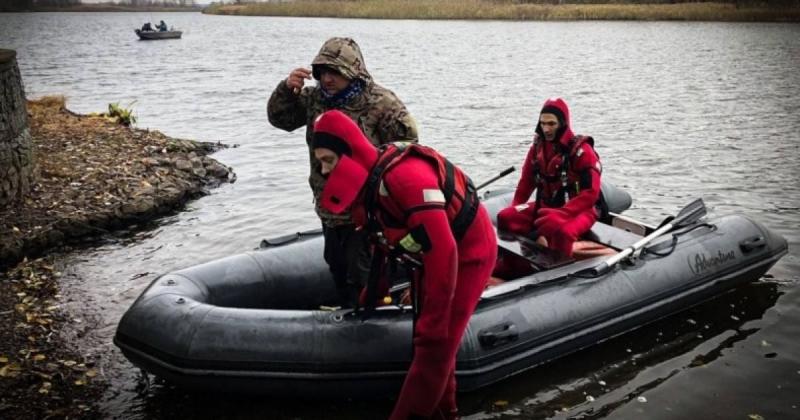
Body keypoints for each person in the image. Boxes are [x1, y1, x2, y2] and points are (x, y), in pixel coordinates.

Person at [311, 110, 497, 420]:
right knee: (433, 349)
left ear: (349, 154)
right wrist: (374, 289)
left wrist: (433, 323)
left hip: (469, 253)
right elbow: (381, 237)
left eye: (329, 160)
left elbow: (445, 250)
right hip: (428, 256)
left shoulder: (406, 178)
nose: (325, 170)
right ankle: (446, 413)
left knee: (435, 347)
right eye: (321, 163)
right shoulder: (371, 184)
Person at [267, 37, 418, 307]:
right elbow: (281, 120)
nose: (327, 79)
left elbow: (407, 150)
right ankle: (348, 313)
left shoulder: (381, 103)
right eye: (323, 72)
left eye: (334, 72)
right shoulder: (314, 100)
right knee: (336, 264)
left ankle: (373, 318)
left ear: (353, 71)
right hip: (328, 206)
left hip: (367, 209)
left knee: (364, 272)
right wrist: (286, 90)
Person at [497, 97, 602, 258]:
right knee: (505, 217)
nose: (546, 129)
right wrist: (515, 207)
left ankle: (561, 270)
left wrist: (562, 214)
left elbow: (591, 194)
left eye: (551, 124)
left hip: (579, 209)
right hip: (547, 205)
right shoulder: (538, 147)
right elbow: (526, 182)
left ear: (563, 123)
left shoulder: (582, 151)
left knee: (562, 232)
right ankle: (524, 259)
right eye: (543, 123)